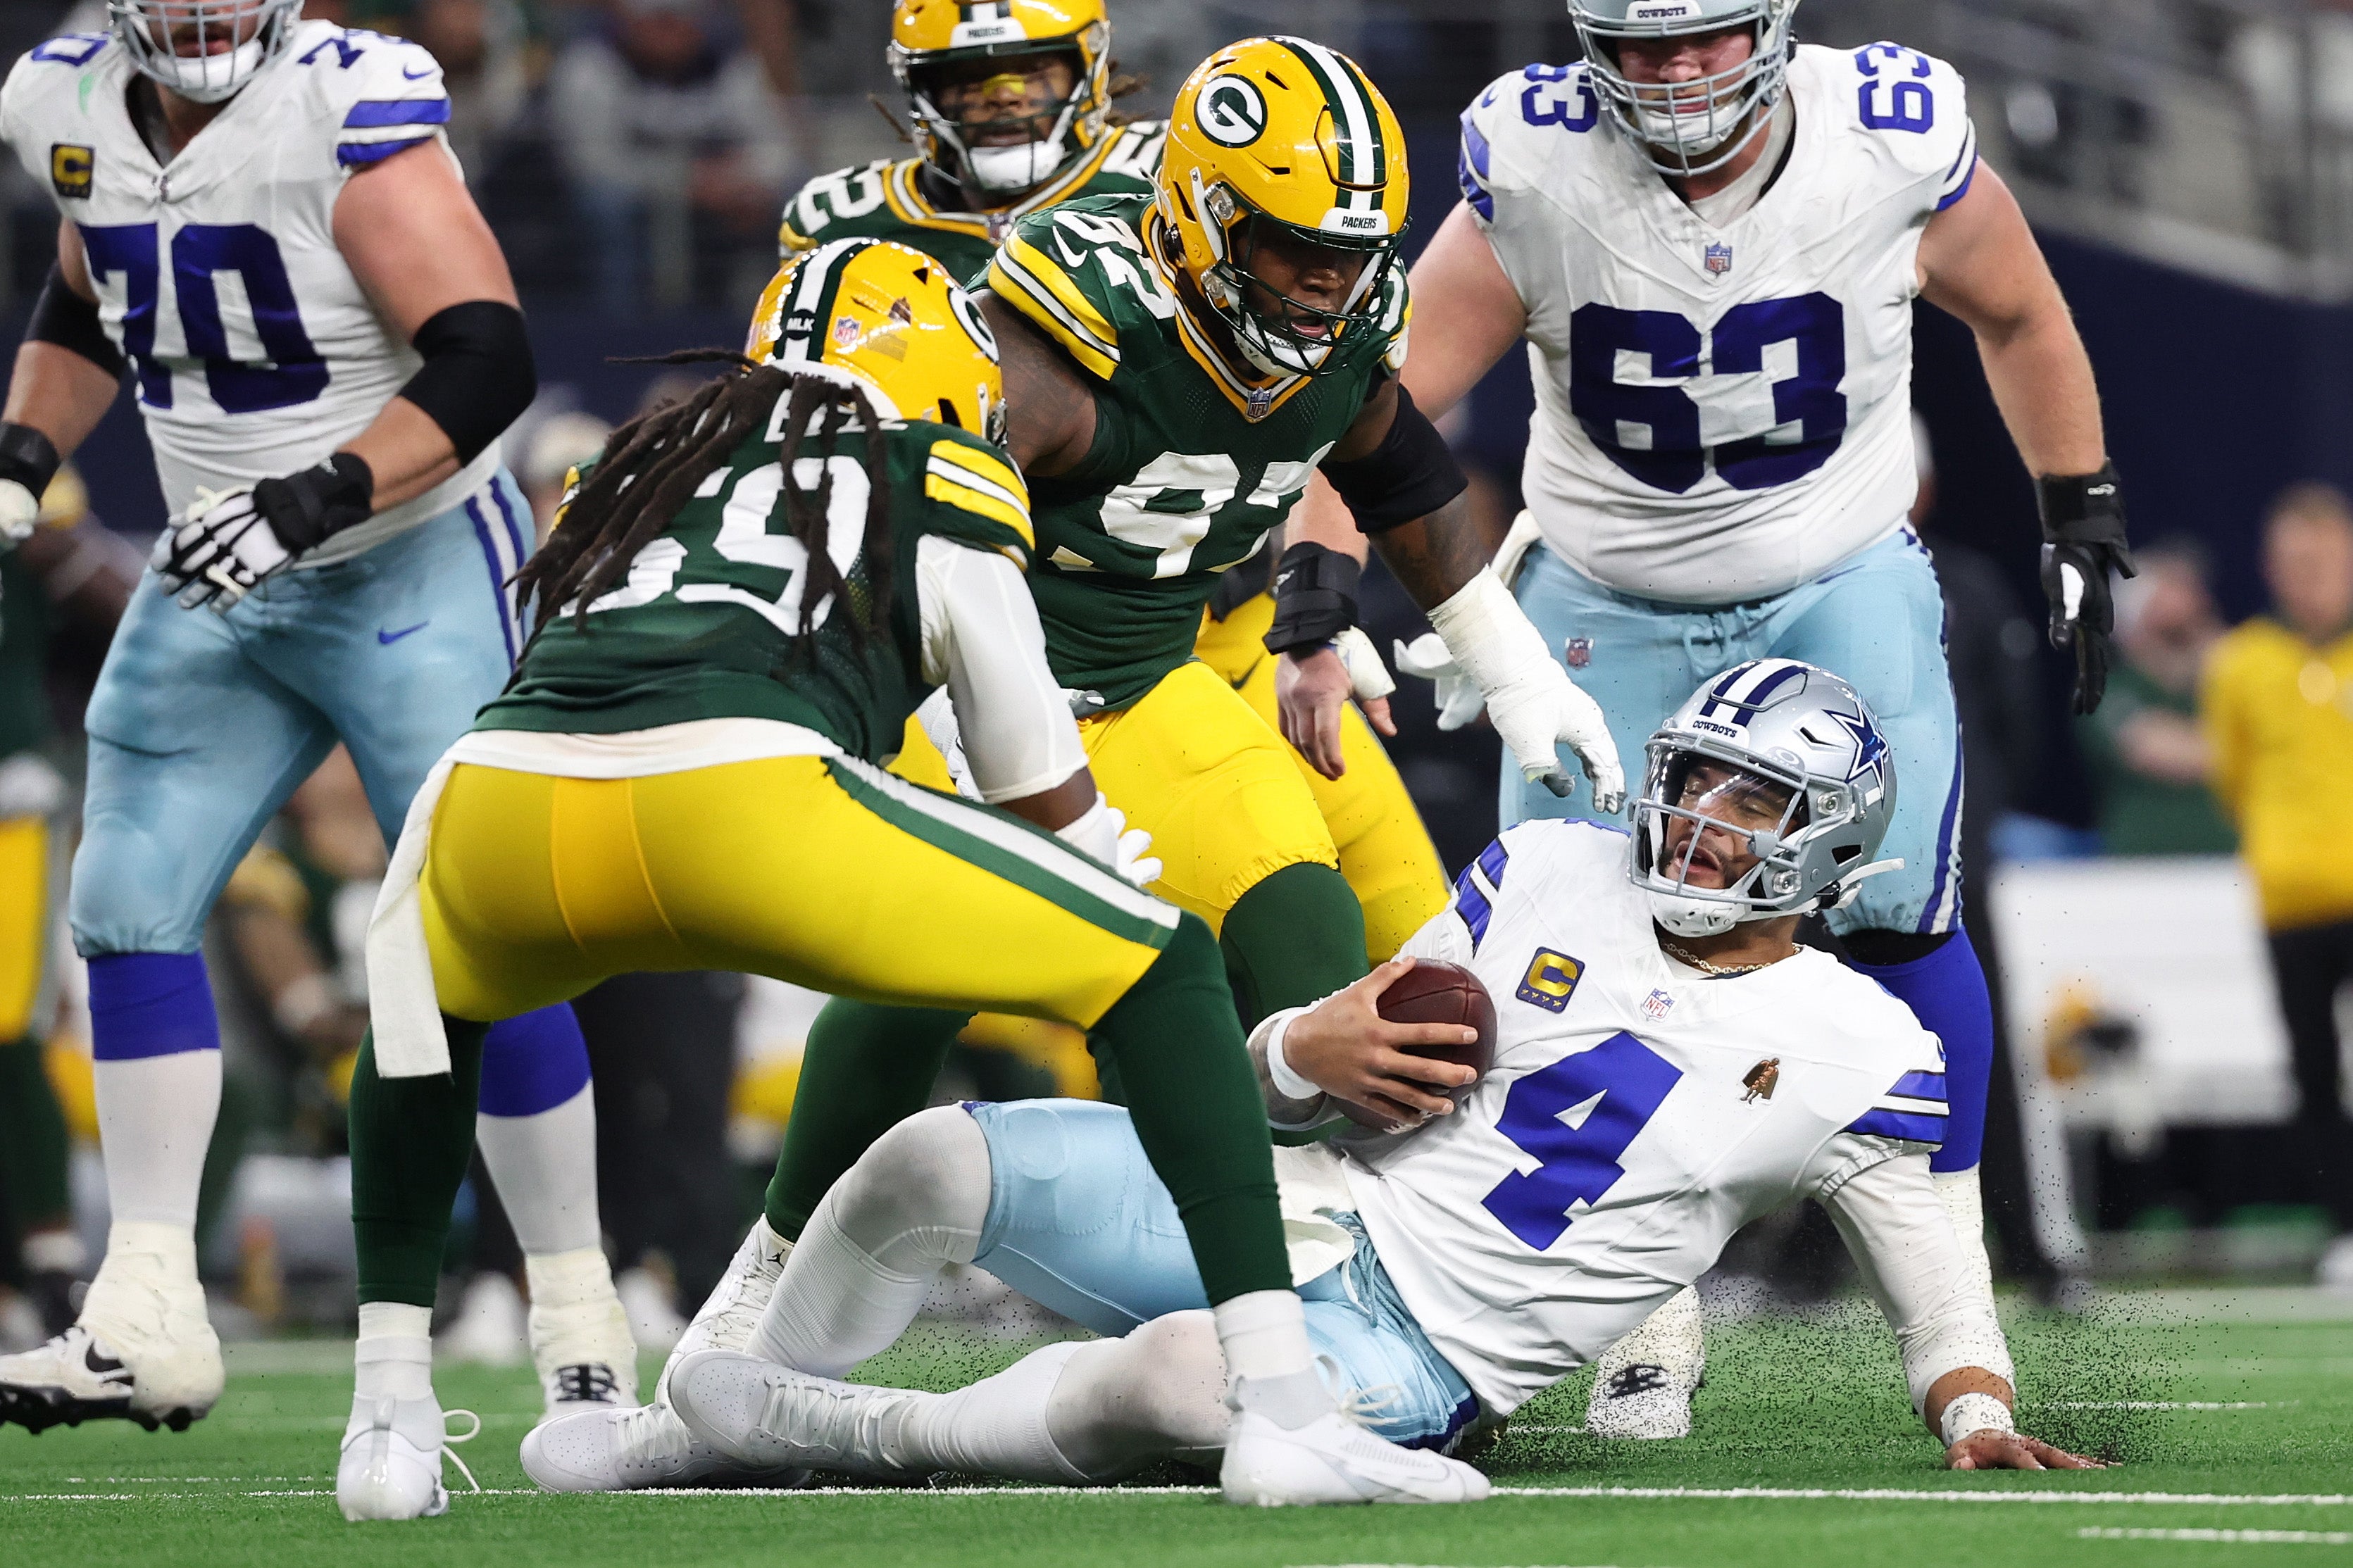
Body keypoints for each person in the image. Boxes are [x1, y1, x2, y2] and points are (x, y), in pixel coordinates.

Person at [527, 36, 1621, 1496]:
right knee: (906, 984)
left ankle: (1335, 1315)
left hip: (1148, 680)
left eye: (1346, 253)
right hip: (978, 684)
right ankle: (741, 1327)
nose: (1324, 284)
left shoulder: (1339, 323)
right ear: (1191, 224)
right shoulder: (1058, 336)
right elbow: (889, 523)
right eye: (1288, 250)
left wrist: (1508, 663)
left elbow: (1397, 473)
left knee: (1300, 904)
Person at [336, 235, 1478, 1519]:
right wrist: (1105, 878)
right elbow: (1030, 772)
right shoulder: (940, 464)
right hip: (736, 795)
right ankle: (1283, 1410)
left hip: (495, 796)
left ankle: (388, 1417)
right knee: (1158, 959)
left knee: (416, 1016)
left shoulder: (638, 460)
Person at [550, 661, 2096, 1490]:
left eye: (1742, 803)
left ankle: (833, 1444)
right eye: (1688, 781)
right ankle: (705, 1423)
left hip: (1425, 1351)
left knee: (1170, 1375)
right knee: (929, 1160)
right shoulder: (1550, 866)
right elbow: (1289, 1082)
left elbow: (1928, 1257)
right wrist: (1300, 1043)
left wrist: (1965, 1399)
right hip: (1297, 1209)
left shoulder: (1862, 1044)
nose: (1694, 821)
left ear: (1823, 841)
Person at [1285, 0, 2123, 1436]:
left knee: (1903, 921)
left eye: (1706, 40)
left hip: (1832, 570)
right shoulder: (1535, 160)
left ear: (1772, 28)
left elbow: (2019, 309)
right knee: (1559, 937)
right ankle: (1622, 1318)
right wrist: (1316, 577)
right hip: (1599, 588)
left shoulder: (1882, 133)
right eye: (1642, 45)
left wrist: (2077, 504)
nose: (1675, 75)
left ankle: (1956, 1326)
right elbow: (1384, 396)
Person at [0, 4, 631, 1436]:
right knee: (126, 894)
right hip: (220, 561)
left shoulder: (350, 104)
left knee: (490, 921)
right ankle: (146, 1304)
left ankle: (576, 1308)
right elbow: (92, 298)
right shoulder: (60, 99)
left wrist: (317, 497)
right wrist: (26, 448)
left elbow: (485, 362)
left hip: (397, 561)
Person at [785, 0, 1448, 977]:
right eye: (970, 79)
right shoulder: (846, 228)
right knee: (989, 953)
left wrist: (1314, 595)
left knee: (1397, 906)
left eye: (1033, 71)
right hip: (993, 623)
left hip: (1219, 623)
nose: (1004, 102)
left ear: (1090, 67)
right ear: (916, 88)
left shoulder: (1202, 184)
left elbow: (1341, 415)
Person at [0, 469, 139, 1341]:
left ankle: (48, 1260)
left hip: (7, 800)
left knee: (9, 1030)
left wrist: (37, 538)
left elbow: (113, 592)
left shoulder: (26, 518)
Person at [2202, 482, 2353, 1285]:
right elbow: (2230, 776)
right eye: (2296, 561)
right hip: (2288, 902)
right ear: (2271, 567)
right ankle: (2344, 1229)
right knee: (2311, 1072)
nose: (2311, 576)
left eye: (2323, 559)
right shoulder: (2240, 663)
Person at [2080, 539, 2235, 856]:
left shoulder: (2232, 687)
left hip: (2233, 867)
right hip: (2143, 875)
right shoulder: (2110, 689)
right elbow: (2154, 749)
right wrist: (2243, 748)